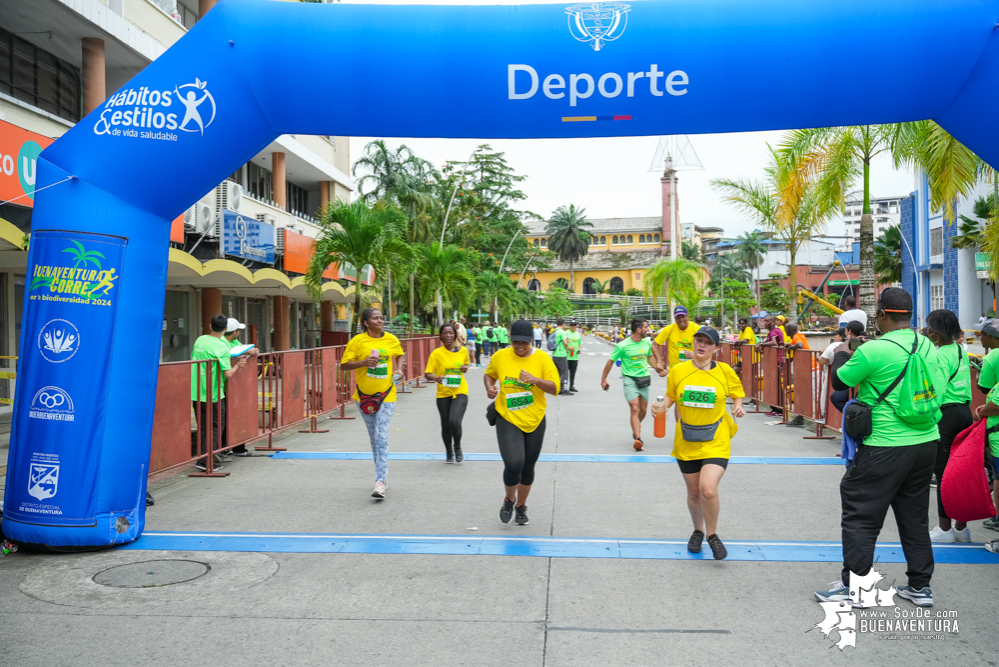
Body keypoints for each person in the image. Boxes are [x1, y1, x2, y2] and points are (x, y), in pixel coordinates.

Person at [816, 287, 943, 608]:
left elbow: (840, 381)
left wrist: (844, 350)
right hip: (926, 441)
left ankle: (856, 587)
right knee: (914, 518)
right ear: (910, 316)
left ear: (882, 314)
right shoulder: (927, 344)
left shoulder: (874, 351)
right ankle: (919, 586)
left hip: (884, 446)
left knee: (861, 514)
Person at [662, 327, 745, 560]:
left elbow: (737, 392)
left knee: (707, 489)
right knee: (694, 492)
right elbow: (671, 395)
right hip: (687, 438)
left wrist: (738, 405)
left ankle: (713, 535)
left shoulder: (724, 371)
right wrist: (662, 406)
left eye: (708, 343)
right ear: (693, 343)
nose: (702, 345)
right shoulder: (679, 370)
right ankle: (697, 531)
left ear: (716, 348)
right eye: (699, 341)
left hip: (716, 437)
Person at [485, 319, 560, 526]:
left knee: (528, 466)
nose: (519, 346)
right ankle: (509, 499)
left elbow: (555, 388)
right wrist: (490, 388)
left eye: (524, 343)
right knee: (514, 463)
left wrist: (536, 380)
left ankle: (521, 506)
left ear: (531, 341)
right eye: (515, 341)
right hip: (507, 416)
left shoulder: (543, 359)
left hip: (535, 418)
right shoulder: (500, 356)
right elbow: (489, 375)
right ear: (510, 339)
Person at [340, 308, 405, 499]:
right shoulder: (357, 341)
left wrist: (400, 370)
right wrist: (363, 363)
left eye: (381, 318)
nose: (380, 321)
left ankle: (380, 482)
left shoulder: (391, 339)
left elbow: (400, 353)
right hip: (364, 397)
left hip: (386, 394)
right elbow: (344, 365)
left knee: (380, 435)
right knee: (373, 438)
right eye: (375, 318)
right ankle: (381, 476)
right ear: (366, 322)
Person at [923, 309, 973, 543]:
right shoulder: (962, 351)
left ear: (936, 332)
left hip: (947, 415)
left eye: (929, 327)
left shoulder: (940, 354)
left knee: (943, 473)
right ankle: (962, 528)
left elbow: (938, 390)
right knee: (963, 472)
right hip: (964, 411)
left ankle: (944, 529)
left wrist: (930, 416)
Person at [190, 314, 247, 471]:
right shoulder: (221, 347)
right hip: (213, 393)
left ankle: (202, 457)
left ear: (210, 326)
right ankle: (208, 461)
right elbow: (228, 374)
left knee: (202, 426)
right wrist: (239, 364)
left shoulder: (200, 340)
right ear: (226, 329)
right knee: (215, 426)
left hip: (196, 391)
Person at [601, 318, 664, 451]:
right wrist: (604, 379)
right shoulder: (622, 345)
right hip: (629, 379)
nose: (648, 329)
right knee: (634, 408)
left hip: (644, 379)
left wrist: (659, 370)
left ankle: (636, 426)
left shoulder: (647, 342)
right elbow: (610, 361)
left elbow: (649, 357)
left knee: (643, 410)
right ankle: (638, 439)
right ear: (639, 329)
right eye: (646, 327)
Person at [425, 323, 471, 464]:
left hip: (460, 391)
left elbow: (466, 365)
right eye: (445, 333)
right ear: (441, 336)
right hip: (443, 393)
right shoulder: (436, 354)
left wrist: (465, 368)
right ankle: (449, 451)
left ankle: (457, 446)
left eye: (451, 333)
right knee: (445, 424)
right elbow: (427, 374)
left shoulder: (463, 351)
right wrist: (436, 378)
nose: (448, 336)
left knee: (454, 421)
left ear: (455, 335)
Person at [653, 306, 701, 378]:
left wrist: (694, 355)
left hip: (692, 372)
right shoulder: (669, 329)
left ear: (687, 316)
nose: (681, 319)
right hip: (675, 374)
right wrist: (659, 362)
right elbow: (654, 344)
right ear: (675, 318)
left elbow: (707, 347)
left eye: (683, 316)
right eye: (678, 317)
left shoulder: (696, 328)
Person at [759, 315, 787, 417]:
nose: (765, 323)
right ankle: (775, 408)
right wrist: (762, 343)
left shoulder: (775, 331)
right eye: (764, 321)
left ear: (773, 322)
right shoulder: (771, 332)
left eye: (767, 321)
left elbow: (774, 342)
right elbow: (768, 341)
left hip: (777, 360)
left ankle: (780, 409)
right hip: (773, 361)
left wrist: (762, 345)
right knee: (773, 384)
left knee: (777, 385)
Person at [550, 318, 572, 396]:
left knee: (557, 373)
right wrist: (567, 350)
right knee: (565, 372)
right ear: (563, 324)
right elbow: (565, 343)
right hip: (561, 354)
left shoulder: (554, 331)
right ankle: (564, 389)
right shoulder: (562, 332)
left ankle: (557, 388)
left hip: (555, 354)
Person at [565, 320, 582, 393]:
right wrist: (569, 348)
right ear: (569, 326)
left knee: (573, 372)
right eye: (573, 325)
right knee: (565, 373)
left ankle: (571, 386)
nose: (574, 326)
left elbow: (579, 344)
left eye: (575, 325)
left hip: (575, 356)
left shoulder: (578, 334)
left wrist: (579, 350)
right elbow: (563, 344)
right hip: (567, 356)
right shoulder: (566, 333)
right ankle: (564, 386)